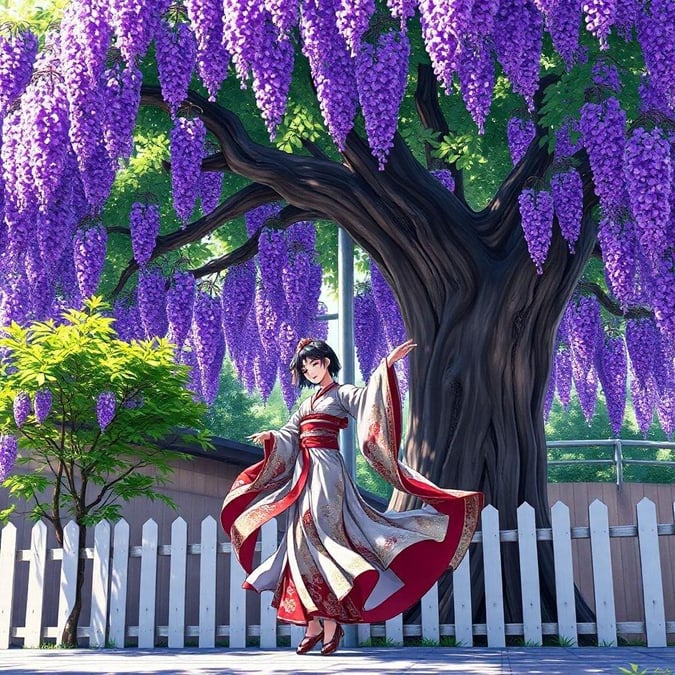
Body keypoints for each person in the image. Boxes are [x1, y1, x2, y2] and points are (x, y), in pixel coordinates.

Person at [220, 338, 483, 656]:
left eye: (313, 364)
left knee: (325, 541)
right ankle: (314, 625)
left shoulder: (342, 393)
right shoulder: (305, 405)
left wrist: (386, 365)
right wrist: (271, 437)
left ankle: (329, 624)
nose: (310, 370)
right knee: (299, 542)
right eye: (304, 367)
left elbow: (370, 400)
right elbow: (290, 434)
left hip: (328, 472)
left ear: (325, 362)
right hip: (304, 473)